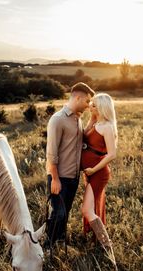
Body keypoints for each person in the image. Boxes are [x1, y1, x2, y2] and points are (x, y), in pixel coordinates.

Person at [45, 82, 95, 248]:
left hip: (73, 177)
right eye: (87, 101)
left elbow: (79, 140)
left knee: (65, 214)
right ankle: (47, 247)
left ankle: (59, 243)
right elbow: (51, 153)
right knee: (57, 214)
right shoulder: (58, 120)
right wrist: (54, 179)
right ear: (78, 97)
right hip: (59, 178)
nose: (88, 106)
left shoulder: (78, 119)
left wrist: (93, 120)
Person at [81, 93, 117, 249]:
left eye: (94, 105)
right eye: (91, 104)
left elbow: (112, 154)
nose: (90, 106)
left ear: (102, 107)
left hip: (98, 173)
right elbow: (83, 137)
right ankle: (97, 241)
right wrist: (91, 119)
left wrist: (93, 169)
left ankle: (106, 244)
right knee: (93, 206)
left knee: (87, 209)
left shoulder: (108, 127)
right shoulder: (95, 123)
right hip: (89, 172)